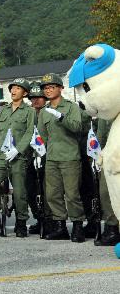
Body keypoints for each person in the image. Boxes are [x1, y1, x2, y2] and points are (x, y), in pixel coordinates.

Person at [0, 78, 35, 237]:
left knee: (19, 191)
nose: (14, 91)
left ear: (25, 93)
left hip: (18, 157)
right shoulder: (3, 110)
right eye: (12, 88)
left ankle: (21, 222)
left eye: (18, 88)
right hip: (0, 155)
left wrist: (18, 150)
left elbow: (29, 133)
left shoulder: (29, 112)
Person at [37, 73, 85, 241]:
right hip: (51, 158)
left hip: (70, 157)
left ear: (60, 88)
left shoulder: (71, 107)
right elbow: (42, 136)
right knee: (53, 194)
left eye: (52, 87)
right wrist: (39, 152)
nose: (48, 90)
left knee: (72, 194)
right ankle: (60, 227)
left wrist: (62, 117)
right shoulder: (44, 111)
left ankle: (78, 226)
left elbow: (77, 127)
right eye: (46, 88)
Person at [25, 83, 48, 234]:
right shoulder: (29, 114)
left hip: (47, 158)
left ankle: (49, 220)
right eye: (33, 98)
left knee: (47, 191)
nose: (36, 101)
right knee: (31, 190)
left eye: (39, 97)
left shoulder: (50, 112)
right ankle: (39, 218)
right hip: (30, 157)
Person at [94, 117, 120, 246]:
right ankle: (112, 229)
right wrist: (97, 155)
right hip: (109, 157)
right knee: (106, 193)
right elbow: (101, 135)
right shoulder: (107, 110)